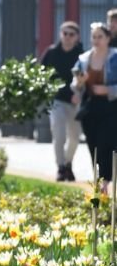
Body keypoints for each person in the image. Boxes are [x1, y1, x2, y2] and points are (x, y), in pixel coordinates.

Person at [74, 23, 115, 192]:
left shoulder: (115, 58)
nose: (96, 40)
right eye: (94, 37)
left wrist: (109, 89)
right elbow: (75, 84)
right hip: (90, 108)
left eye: (100, 37)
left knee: (106, 144)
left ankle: (105, 181)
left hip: (112, 108)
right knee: (94, 146)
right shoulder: (84, 59)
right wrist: (79, 84)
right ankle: (99, 180)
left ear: (108, 39)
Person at [42, 21, 84, 181]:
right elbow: (41, 74)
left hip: (75, 102)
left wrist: (79, 94)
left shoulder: (82, 56)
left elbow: (86, 79)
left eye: (71, 34)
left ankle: (68, 164)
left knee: (74, 137)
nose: (67, 37)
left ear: (77, 37)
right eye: (64, 33)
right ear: (60, 34)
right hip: (56, 101)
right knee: (59, 135)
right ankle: (60, 167)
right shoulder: (51, 53)